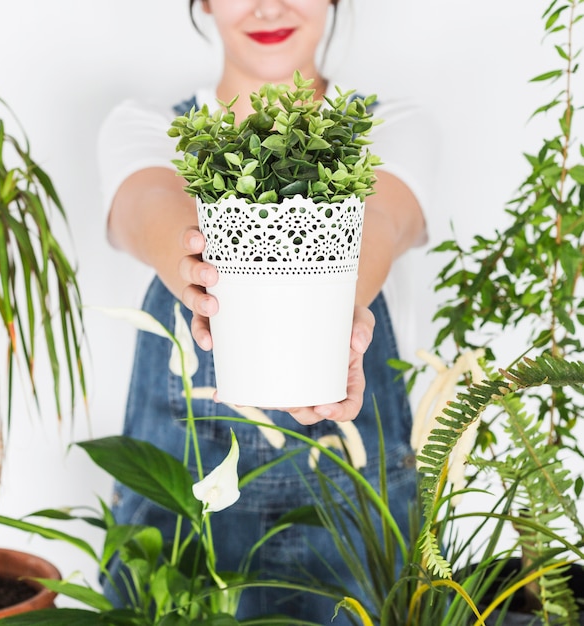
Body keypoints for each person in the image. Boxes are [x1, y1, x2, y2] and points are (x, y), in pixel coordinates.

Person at [98, 0, 435, 622]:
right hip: (182, 504)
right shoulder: (148, 126)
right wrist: (194, 270)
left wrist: (339, 317)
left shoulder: (389, 126)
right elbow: (147, 204)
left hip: (352, 512)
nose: (269, 6)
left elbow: (381, 220)